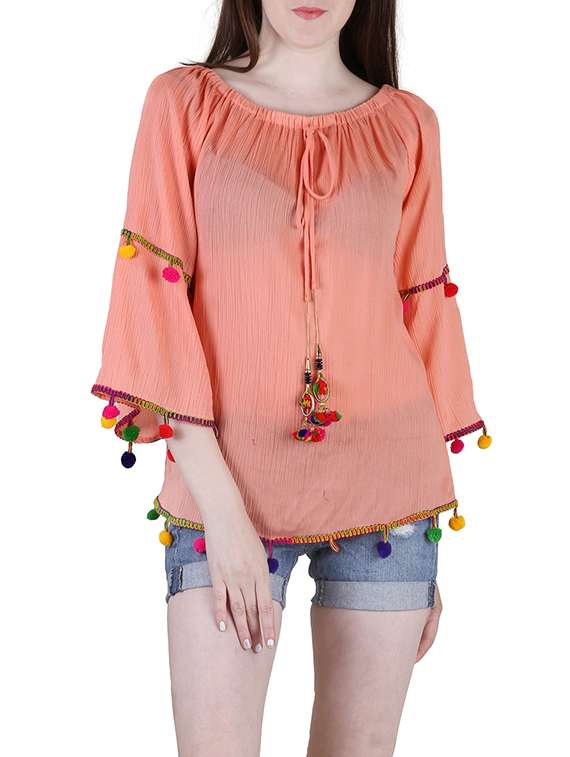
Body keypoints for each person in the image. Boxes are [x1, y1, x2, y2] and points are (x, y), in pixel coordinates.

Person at [91, 1, 492, 754]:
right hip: (224, 489)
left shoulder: (410, 125)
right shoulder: (184, 103)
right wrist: (224, 519)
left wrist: (421, 519)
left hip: (389, 503)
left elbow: (421, 306)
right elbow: (154, 303)